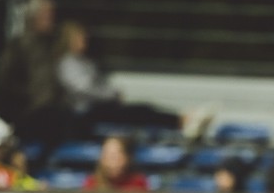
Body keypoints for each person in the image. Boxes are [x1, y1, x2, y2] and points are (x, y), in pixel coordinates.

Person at [55, 21, 186, 134]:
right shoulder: (67, 63)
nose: (84, 39)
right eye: (79, 36)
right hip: (87, 112)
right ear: (69, 39)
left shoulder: (85, 61)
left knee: (142, 109)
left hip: (100, 106)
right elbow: (85, 89)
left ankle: (179, 120)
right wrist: (112, 94)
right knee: (139, 112)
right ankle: (179, 121)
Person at [0, 0, 66, 157]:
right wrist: (27, 98)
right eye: (47, 16)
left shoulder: (51, 45)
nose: (52, 21)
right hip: (29, 113)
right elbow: (4, 80)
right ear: (33, 18)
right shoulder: (19, 46)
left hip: (49, 109)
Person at [81, 135, 148, 193]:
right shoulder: (92, 183)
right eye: (108, 156)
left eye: (117, 156)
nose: (113, 163)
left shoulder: (138, 183)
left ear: (127, 158)